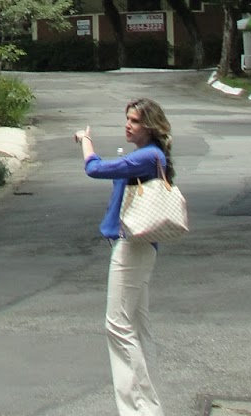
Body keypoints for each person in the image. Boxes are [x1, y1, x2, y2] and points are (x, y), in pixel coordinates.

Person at [75, 96, 176, 416]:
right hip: (140, 246)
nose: (128, 125)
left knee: (117, 326)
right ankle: (150, 408)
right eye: (127, 119)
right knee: (137, 327)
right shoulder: (148, 155)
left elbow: (95, 168)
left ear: (151, 126)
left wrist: (86, 141)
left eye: (134, 121)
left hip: (132, 247)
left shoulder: (147, 156)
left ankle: (137, 410)